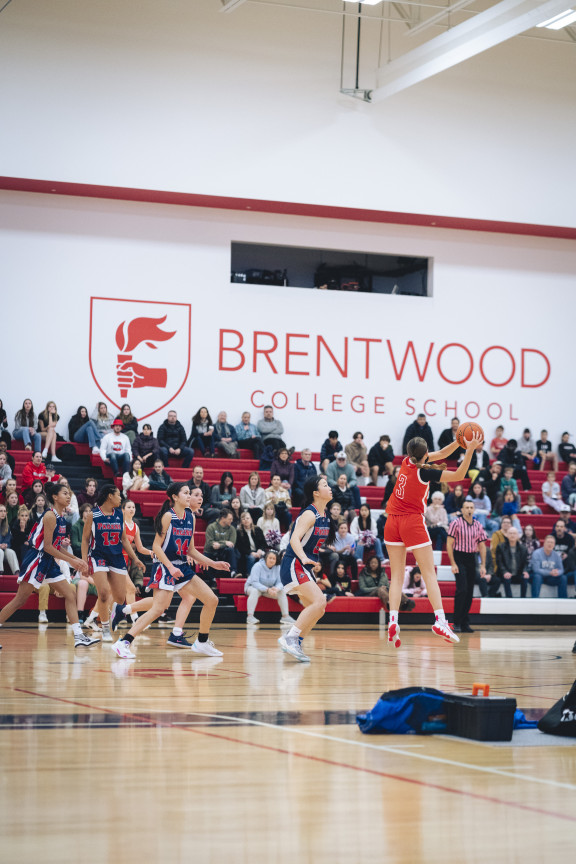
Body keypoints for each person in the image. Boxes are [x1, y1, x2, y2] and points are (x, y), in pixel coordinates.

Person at [385, 429, 483, 647]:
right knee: (429, 573)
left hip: (391, 521)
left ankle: (393, 620)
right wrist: (469, 451)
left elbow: (441, 453)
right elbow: (458, 475)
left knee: (397, 577)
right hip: (411, 521)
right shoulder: (425, 472)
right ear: (425, 453)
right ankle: (440, 620)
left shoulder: (406, 461)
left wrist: (460, 442)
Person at [113, 484, 229, 658]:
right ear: (175, 497)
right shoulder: (168, 516)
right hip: (164, 566)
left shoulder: (191, 517)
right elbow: (156, 546)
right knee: (158, 609)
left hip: (181, 567)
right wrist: (170, 567)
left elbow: (190, 550)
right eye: (186, 493)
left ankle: (202, 642)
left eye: (190, 493)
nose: (189, 496)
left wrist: (213, 563)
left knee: (211, 600)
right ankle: (124, 642)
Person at [0, 482, 98, 646]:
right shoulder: (50, 516)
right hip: (36, 559)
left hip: (48, 560)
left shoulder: (61, 518)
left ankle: (79, 636)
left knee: (69, 593)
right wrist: (72, 560)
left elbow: (57, 546)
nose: (68, 496)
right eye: (65, 493)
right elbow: (47, 547)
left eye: (69, 494)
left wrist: (77, 560)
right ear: (55, 497)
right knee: (20, 600)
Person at [278, 475, 335, 662]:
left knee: (318, 608)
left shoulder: (325, 516)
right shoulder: (309, 514)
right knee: (319, 601)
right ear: (316, 493)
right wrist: (303, 557)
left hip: (305, 566)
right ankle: (290, 637)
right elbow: (294, 538)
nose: (330, 487)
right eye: (325, 485)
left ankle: (297, 642)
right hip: (294, 563)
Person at [81, 484, 143, 643]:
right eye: (118, 495)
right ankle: (106, 628)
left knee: (120, 598)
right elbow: (85, 539)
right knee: (103, 593)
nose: (121, 498)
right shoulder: (93, 515)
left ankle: (112, 613)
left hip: (116, 557)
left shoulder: (119, 514)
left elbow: (123, 539)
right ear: (110, 496)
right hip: (98, 556)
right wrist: (84, 561)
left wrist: (135, 558)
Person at [446, 500, 488, 633]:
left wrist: (483, 565)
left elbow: (482, 546)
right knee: (462, 590)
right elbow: (449, 544)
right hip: (459, 557)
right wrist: (453, 563)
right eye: (466, 507)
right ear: (462, 510)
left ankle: (465, 622)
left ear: (474, 509)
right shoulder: (456, 523)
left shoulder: (478, 525)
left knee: (469, 592)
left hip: (472, 558)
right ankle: (456, 622)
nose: (469, 509)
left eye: (471, 507)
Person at [244, 549, 294, 625]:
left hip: (269, 589)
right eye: (270, 558)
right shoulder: (257, 566)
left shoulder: (278, 568)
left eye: (274, 558)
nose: (271, 560)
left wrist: (276, 589)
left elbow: (280, 582)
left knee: (282, 591)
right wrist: (267, 589)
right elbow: (254, 582)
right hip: (253, 587)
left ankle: (285, 617)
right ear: (265, 558)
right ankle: (250, 617)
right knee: (254, 591)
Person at [496, 527, 530, 598]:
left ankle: (523, 598)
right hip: (505, 573)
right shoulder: (501, 547)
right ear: (507, 535)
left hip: (518, 573)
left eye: (514, 533)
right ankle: (509, 598)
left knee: (525, 578)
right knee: (506, 578)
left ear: (518, 536)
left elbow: (526, 562)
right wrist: (505, 572)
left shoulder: (523, 548)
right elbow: (499, 562)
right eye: (510, 533)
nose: (512, 535)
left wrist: (525, 571)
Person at [204, 508, 238, 576]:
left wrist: (220, 544)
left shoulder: (232, 529)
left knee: (231, 550)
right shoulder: (211, 527)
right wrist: (225, 543)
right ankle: (211, 580)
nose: (231, 521)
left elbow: (231, 543)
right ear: (223, 518)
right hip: (212, 551)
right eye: (229, 519)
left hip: (223, 552)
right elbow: (210, 543)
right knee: (206, 556)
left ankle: (233, 572)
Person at [235, 510, 267, 575]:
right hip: (247, 553)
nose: (246, 520)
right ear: (241, 521)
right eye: (243, 519)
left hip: (258, 551)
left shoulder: (257, 529)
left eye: (247, 518)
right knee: (251, 558)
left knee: (266, 556)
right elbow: (240, 547)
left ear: (251, 519)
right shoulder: (239, 532)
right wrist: (251, 552)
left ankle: (263, 575)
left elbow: (263, 543)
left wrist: (260, 550)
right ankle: (249, 575)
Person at [0, 503, 20, 576]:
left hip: (3, 550)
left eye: (4, 511)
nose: (3, 513)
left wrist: (5, 545)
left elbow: (8, 540)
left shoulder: (6, 526)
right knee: (0, 552)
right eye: (1, 511)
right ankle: (0, 572)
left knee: (11, 552)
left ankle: (16, 573)